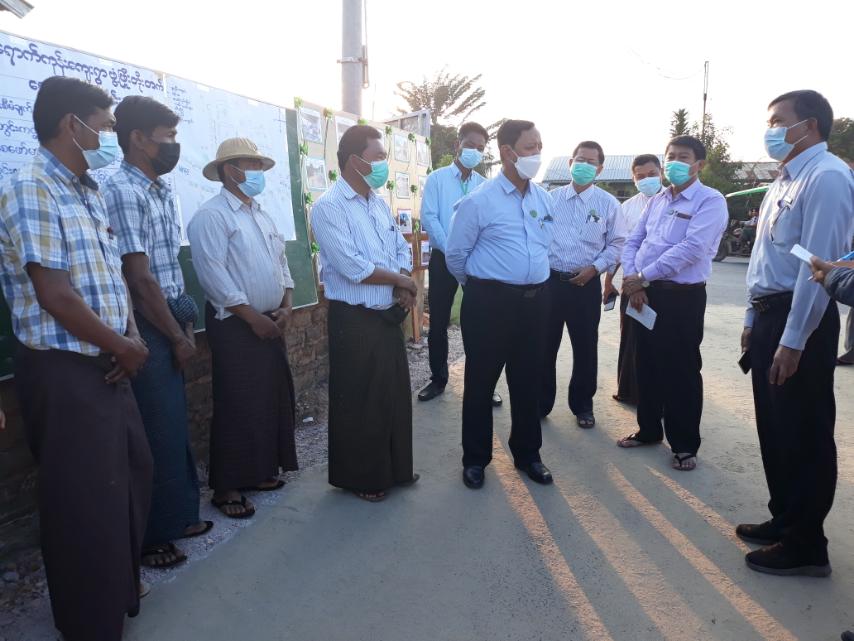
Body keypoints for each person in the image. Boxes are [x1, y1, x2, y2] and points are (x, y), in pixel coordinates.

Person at [0, 76, 152, 641]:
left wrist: (129, 336)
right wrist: (122, 346)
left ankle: (117, 594)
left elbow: (111, 276)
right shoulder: (32, 186)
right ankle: (89, 622)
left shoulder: (87, 188)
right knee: (84, 500)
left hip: (110, 359)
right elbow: (55, 295)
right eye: (107, 126)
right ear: (73, 124)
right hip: (65, 370)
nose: (111, 136)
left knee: (130, 477)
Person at [738, 90, 854, 577]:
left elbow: (819, 268)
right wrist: (751, 319)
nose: (770, 131)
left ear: (809, 125)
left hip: (801, 317)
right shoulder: (784, 179)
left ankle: (807, 544)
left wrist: (794, 340)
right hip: (771, 314)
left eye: (777, 121)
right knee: (776, 426)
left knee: (804, 431)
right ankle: (785, 518)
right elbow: (765, 258)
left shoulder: (827, 177)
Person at [103, 96, 211, 569]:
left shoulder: (161, 189)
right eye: (167, 137)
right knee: (154, 428)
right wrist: (176, 337)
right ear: (138, 139)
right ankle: (152, 536)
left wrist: (183, 323)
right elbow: (139, 278)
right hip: (147, 321)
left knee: (173, 425)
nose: (174, 145)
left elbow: (168, 269)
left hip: (170, 315)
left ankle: (179, 516)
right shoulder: (122, 189)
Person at [187, 138, 298, 519]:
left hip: (270, 319)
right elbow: (213, 275)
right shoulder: (212, 216)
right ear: (229, 170)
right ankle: (227, 487)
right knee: (237, 402)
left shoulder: (261, 214)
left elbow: (281, 263)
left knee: (268, 398)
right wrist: (252, 317)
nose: (257, 172)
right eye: (250, 165)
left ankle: (259, 471)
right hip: (236, 324)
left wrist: (286, 306)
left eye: (258, 165)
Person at [310, 125, 419, 502]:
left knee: (392, 396)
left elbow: (400, 247)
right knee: (360, 401)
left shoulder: (377, 202)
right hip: (354, 320)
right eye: (378, 157)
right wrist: (401, 282)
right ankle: (363, 477)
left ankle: (395, 469)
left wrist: (402, 280)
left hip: (387, 316)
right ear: (355, 161)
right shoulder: (329, 207)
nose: (384, 164)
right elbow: (352, 265)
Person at [445, 119, 555, 490]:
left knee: (528, 381)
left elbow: (544, 246)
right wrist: (482, 289)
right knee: (480, 382)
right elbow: (456, 255)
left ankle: (528, 454)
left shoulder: (543, 198)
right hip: (490, 303)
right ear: (507, 152)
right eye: (529, 147)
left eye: (539, 146)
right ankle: (476, 459)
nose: (537, 154)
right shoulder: (479, 201)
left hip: (535, 303)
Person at [617, 135, 728, 471]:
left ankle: (684, 444)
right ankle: (649, 430)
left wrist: (642, 277)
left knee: (681, 370)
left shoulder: (710, 201)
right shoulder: (658, 200)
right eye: (671, 157)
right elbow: (634, 240)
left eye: (684, 157)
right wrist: (634, 280)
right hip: (644, 292)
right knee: (645, 364)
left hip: (681, 298)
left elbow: (692, 249)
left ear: (699, 164)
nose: (675, 163)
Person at [418, 122, 503, 407]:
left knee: (481, 323)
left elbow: (488, 223)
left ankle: (483, 384)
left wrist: (467, 255)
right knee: (438, 322)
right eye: (470, 145)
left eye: (480, 148)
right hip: (443, 259)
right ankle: (438, 379)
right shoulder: (437, 179)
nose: (474, 151)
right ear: (458, 145)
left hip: (475, 263)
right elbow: (429, 217)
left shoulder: (484, 185)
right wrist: (453, 250)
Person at [540, 140, 623, 428]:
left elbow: (617, 244)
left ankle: (583, 406)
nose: (584, 165)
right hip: (549, 283)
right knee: (544, 346)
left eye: (591, 162)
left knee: (586, 347)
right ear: (570, 163)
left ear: (600, 169)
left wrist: (595, 269)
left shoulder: (608, 204)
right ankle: (541, 403)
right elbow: (536, 236)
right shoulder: (549, 199)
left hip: (585, 286)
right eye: (580, 159)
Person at [603, 154, 664, 406]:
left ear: (661, 172)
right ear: (633, 178)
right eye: (640, 176)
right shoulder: (627, 208)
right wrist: (609, 280)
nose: (646, 180)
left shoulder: (674, 201)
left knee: (662, 343)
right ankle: (629, 390)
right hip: (631, 282)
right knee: (631, 339)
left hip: (664, 285)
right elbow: (621, 247)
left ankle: (660, 398)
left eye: (651, 174)